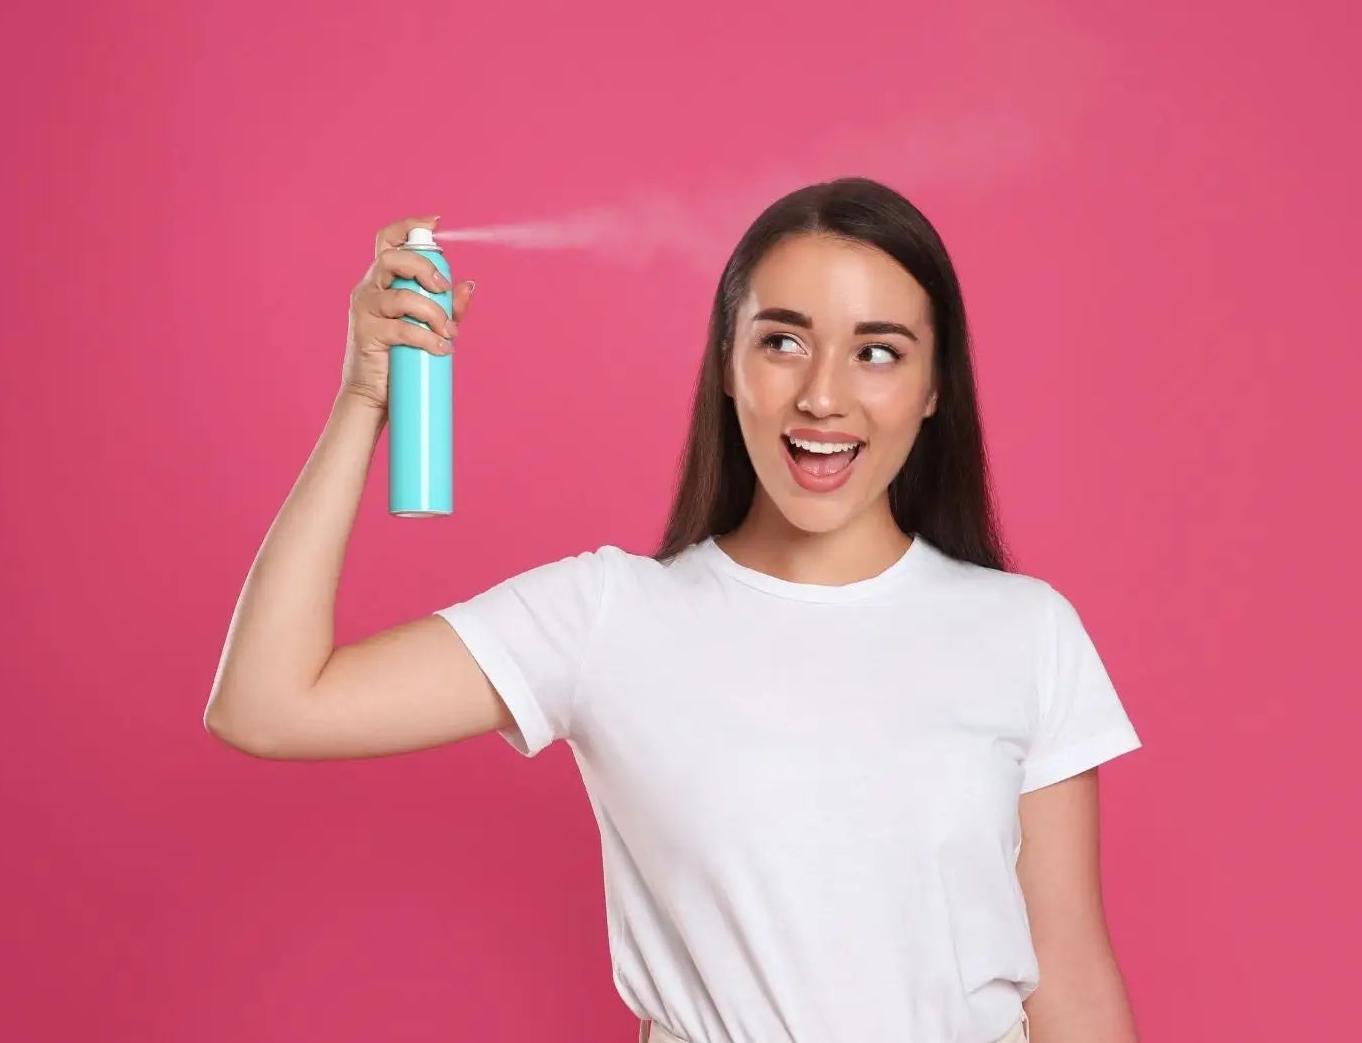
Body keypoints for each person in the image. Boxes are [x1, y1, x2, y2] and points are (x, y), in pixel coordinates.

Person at [205, 177, 1143, 1043]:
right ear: (727, 366)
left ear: (935, 388)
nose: (822, 394)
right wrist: (365, 398)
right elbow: (269, 705)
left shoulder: (1025, 631)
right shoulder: (611, 615)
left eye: (877, 353)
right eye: (781, 340)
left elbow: (1069, 983)